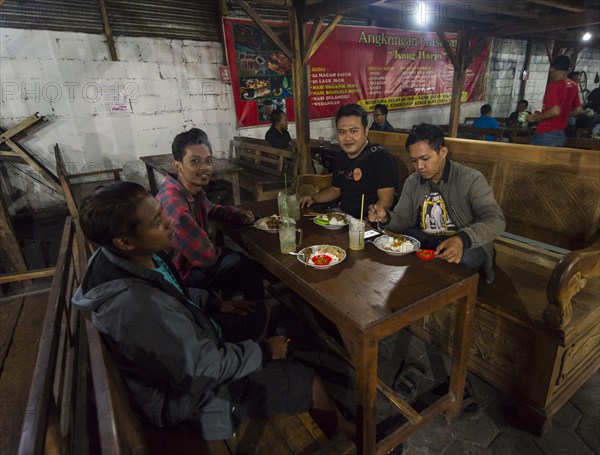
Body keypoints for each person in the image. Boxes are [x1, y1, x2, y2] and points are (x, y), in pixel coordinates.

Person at [72, 181, 355, 441]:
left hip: (196, 345)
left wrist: (218, 304)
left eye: (162, 213)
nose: (170, 222)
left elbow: (174, 293)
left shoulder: (132, 256)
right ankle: (350, 438)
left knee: (260, 311)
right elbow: (202, 369)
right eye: (158, 222)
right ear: (124, 241)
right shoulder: (136, 307)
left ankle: (260, 364)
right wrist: (266, 352)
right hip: (190, 398)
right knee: (312, 383)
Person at [368, 123, 505, 284]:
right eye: (414, 160)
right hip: (428, 242)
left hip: (465, 243)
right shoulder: (413, 181)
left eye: (425, 159)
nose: (419, 166)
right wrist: (386, 218)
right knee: (402, 240)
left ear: (443, 152)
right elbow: (403, 220)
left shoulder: (470, 179)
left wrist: (462, 239)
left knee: (466, 257)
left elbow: (496, 220)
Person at [156, 128, 266, 298]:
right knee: (244, 265)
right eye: (195, 161)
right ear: (177, 165)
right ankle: (253, 316)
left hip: (191, 263)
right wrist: (232, 254)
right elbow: (206, 256)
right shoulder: (175, 206)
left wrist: (238, 214)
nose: (205, 168)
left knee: (242, 265)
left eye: (208, 161)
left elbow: (211, 209)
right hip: (180, 277)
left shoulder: (189, 191)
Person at [299, 104, 399, 218]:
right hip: (344, 217)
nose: (347, 138)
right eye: (342, 132)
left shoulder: (381, 158)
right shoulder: (341, 157)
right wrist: (313, 198)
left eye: (353, 131)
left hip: (367, 223)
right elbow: (335, 190)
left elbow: (386, 201)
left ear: (366, 131)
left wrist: (365, 224)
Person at [527, 55, 583, 147]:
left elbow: (555, 110)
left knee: (532, 160)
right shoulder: (573, 85)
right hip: (561, 133)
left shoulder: (554, 86)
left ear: (552, 69)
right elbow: (578, 109)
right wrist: (565, 115)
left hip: (546, 133)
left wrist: (536, 117)